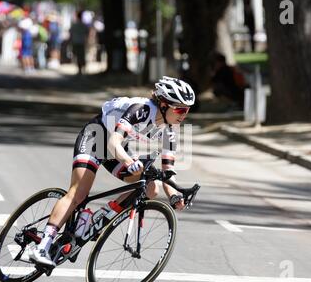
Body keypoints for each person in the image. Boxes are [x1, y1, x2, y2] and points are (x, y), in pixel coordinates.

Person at [29, 76, 196, 266]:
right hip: (97, 137)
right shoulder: (141, 110)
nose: (184, 115)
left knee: (151, 188)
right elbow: (113, 142)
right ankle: (42, 245)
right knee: (78, 193)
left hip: (117, 149)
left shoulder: (171, 128)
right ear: (164, 105)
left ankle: (97, 219)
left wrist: (175, 196)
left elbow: (168, 170)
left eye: (188, 110)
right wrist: (128, 161)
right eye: (181, 109)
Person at [69, 11, 90, 75]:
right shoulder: (84, 25)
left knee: (77, 56)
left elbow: (71, 33)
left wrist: (70, 41)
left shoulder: (74, 25)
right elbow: (87, 33)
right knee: (82, 55)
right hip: (82, 42)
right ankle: (82, 68)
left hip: (76, 42)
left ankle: (80, 69)